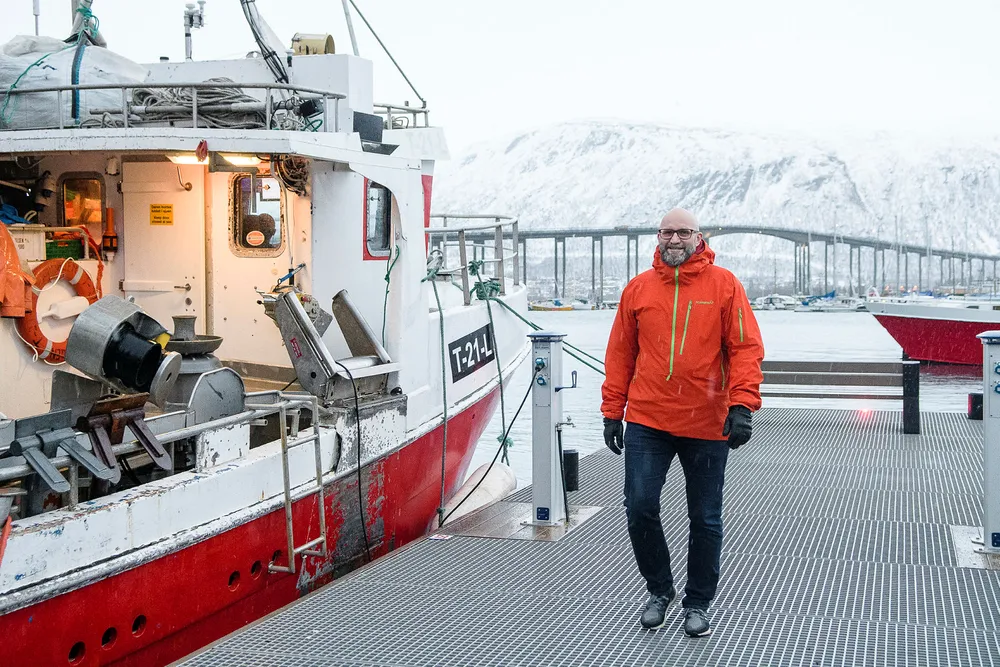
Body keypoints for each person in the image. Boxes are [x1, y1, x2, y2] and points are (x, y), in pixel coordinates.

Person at [601, 208, 764, 637]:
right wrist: (612, 411)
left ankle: (698, 603)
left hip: (706, 421)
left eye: (683, 232)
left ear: (698, 237)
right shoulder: (638, 289)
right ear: (658, 236)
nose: (674, 239)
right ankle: (659, 590)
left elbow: (745, 348)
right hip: (648, 418)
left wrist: (742, 405)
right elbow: (620, 354)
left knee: (705, 517)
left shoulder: (724, 285)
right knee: (639, 507)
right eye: (667, 232)